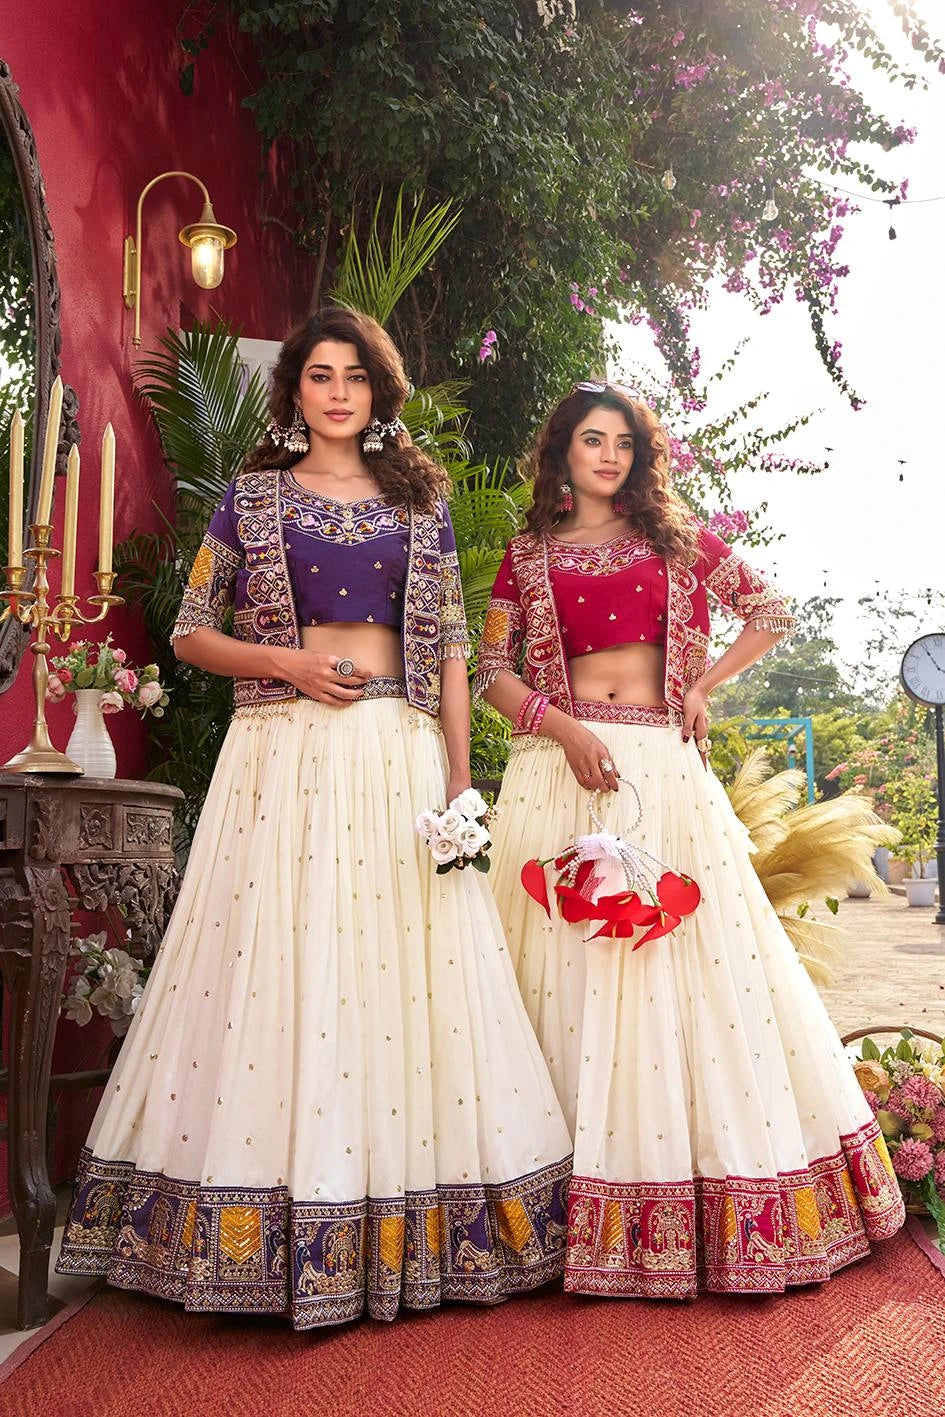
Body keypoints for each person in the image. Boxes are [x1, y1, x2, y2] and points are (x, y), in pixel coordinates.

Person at [57, 308, 571, 1329]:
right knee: (280, 964)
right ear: (293, 390)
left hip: (395, 754)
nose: (337, 391)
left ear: (380, 395)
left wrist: (460, 784)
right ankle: (263, 1223)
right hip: (282, 753)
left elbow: (457, 657)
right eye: (318, 375)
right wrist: (286, 663)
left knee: (402, 970)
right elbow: (193, 630)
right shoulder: (250, 502)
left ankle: (411, 1223)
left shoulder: (420, 509)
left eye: (355, 377)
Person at [476, 381, 904, 1300]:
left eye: (621, 443)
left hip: (662, 769)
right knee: (563, 968)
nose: (607, 456)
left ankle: (697, 1193)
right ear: (561, 453)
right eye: (590, 441)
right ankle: (556, 1204)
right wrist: (561, 728)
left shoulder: (676, 541)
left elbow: (770, 611)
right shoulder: (525, 556)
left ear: (637, 454)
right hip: (560, 770)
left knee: (687, 969)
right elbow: (491, 673)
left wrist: (703, 684)